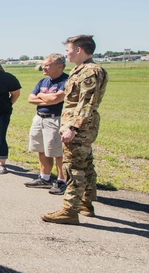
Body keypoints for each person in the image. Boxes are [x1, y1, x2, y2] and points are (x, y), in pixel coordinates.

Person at [42, 35, 109, 224]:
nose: (67, 54)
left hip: (79, 127)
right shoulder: (80, 70)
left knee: (74, 168)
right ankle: (86, 204)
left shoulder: (90, 71)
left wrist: (72, 127)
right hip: (79, 125)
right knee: (86, 165)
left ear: (79, 50)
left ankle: (69, 210)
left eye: (68, 50)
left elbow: (87, 103)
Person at [24, 54, 69, 190]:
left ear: (59, 66)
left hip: (55, 119)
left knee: (57, 152)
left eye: (47, 65)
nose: (44, 67)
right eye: (44, 64)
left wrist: (41, 95)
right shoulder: (43, 81)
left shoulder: (66, 81)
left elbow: (56, 98)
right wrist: (47, 98)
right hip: (39, 117)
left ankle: (62, 181)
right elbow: (30, 99)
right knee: (41, 149)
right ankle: (45, 178)